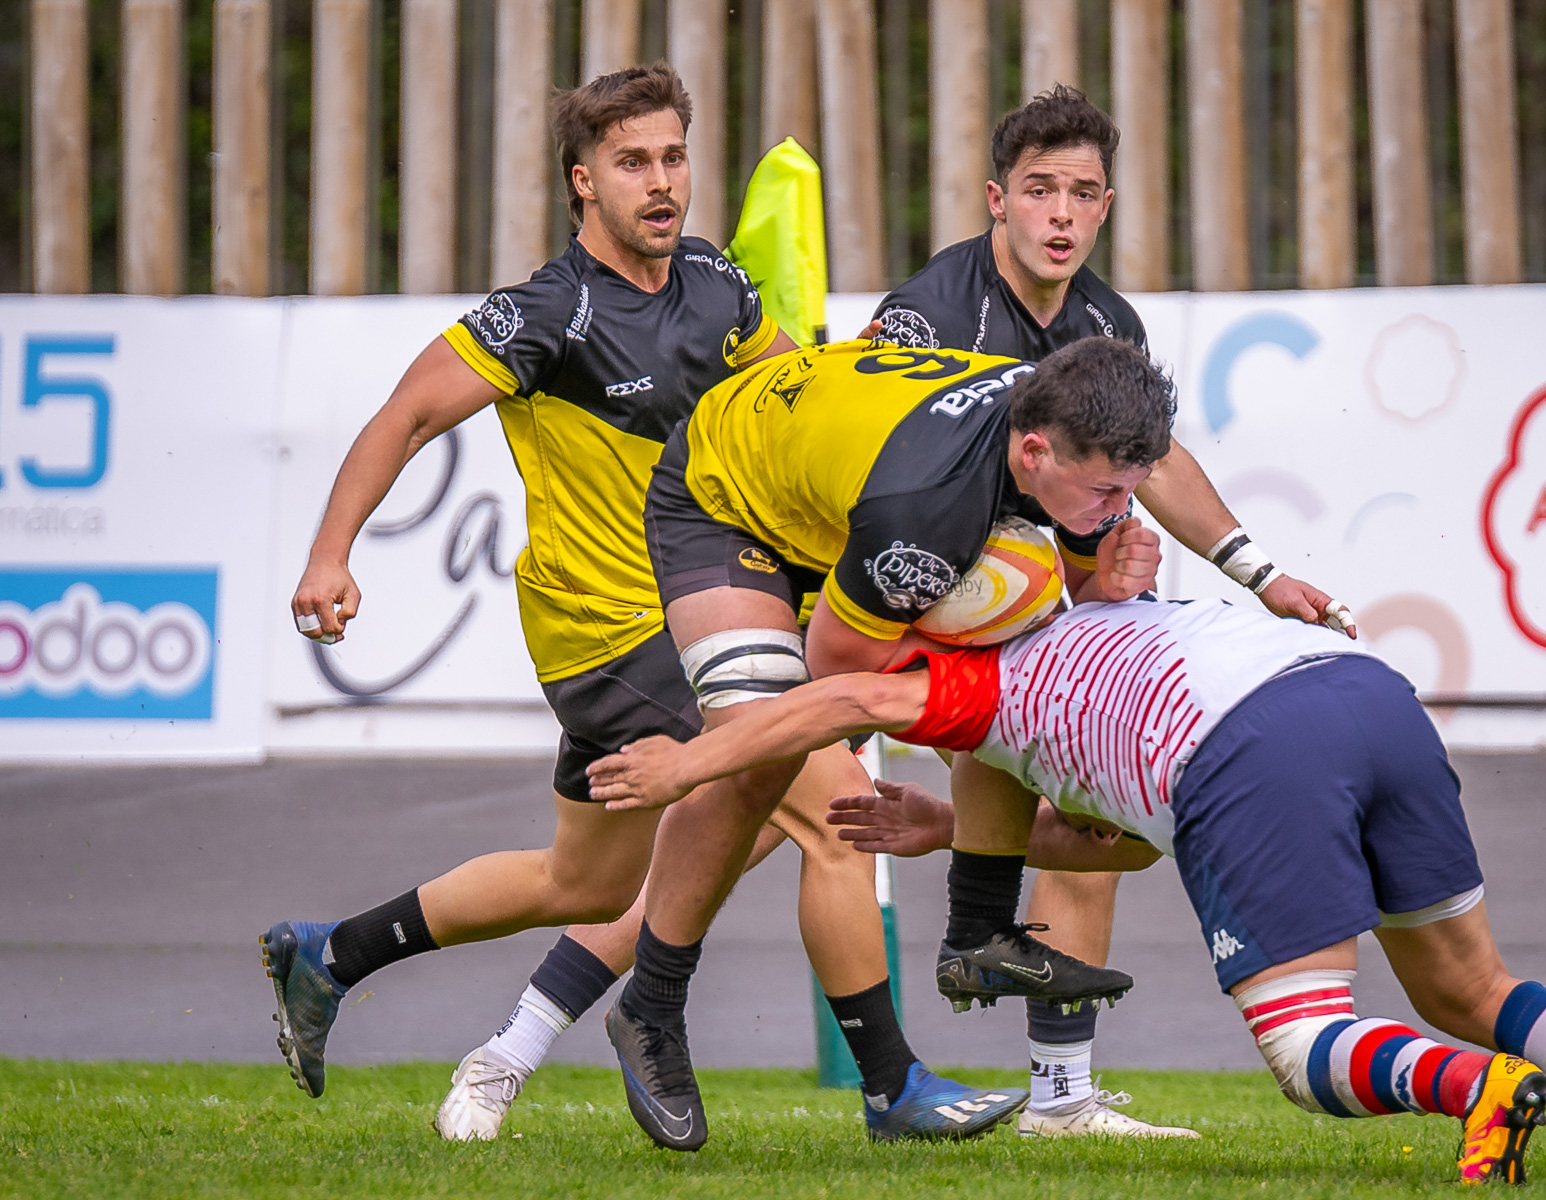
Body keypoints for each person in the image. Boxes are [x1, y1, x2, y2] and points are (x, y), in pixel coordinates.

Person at [264, 63, 1024, 1149]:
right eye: (632, 164)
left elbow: (794, 394)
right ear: (584, 182)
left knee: (583, 878)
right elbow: (404, 418)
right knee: (837, 816)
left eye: (673, 158)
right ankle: (891, 1087)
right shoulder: (547, 313)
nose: (660, 182)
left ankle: (329, 954)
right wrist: (330, 556)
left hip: (700, 612)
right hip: (611, 627)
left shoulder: (718, 283)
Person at [585, 595, 1546, 1187]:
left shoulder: (960, 686)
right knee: (1472, 981)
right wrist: (954, 829)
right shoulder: (1093, 619)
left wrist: (688, 758)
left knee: (1307, 1048)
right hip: (1362, 691)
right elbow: (1128, 849)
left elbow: (840, 702)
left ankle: (1481, 1092)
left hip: (1246, 748)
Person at [856, 84, 1352, 1138]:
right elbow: (883, 483)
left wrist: (1259, 575)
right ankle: (571, 1014)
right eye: (1041, 190)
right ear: (997, 200)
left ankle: (1061, 1096)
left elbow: (1154, 462)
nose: (1062, 214)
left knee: (1093, 813)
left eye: (1083, 192)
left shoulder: (1106, 323)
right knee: (724, 825)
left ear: (1108, 205)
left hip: (1037, 619)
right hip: (894, 602)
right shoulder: (925, 315)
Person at [598, 333, 1184, 1145]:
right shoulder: (929, 511)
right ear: (1036, 453)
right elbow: (840, 671)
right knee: (769, 761)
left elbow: (1079, 601)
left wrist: (1113, 577)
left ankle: (977, 931)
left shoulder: (1069, 434)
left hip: (837, 492)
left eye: (1129, 494)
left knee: (1009, 682)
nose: (1115, 511)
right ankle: (653, 1008)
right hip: (724, 499)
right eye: (1102, 496)